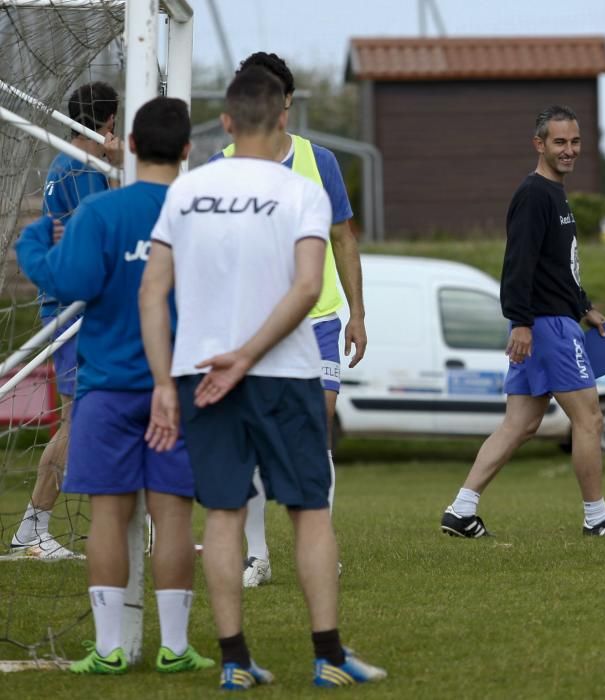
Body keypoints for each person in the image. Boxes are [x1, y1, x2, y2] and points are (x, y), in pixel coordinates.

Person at [139, 67, 385, 690]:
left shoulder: (185, 191)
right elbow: (308, 287)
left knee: (222, 515)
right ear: (283, 119)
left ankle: (233, 662)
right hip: (283, 370)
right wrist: (248, 355)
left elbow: (152, 291)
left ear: (223, 123)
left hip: (201, 374)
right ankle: (328, 655)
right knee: (309, 511)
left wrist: (166, 384)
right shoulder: (300, 188)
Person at [16, 96, 213, 675]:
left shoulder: (101, 213)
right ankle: (175, 646)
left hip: (105, 386)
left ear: (127, 145)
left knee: (108, 515)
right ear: (185, 150)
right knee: (174, 515)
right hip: (176, 389)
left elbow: (65, 280)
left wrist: (33, 241)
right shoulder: (198, 213)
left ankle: (109, 649)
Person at [440, 105, 605, 538]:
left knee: (520, 423)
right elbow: (518, 263)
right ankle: (597, 519)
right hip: (546, 327)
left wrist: (583, 305)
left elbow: (555, 266)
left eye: (574, 142)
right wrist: (520, 321)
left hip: (554, 319)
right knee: (589, 420)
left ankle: (461, 511)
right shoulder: (534, 194)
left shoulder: (555, 193)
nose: (569, 150)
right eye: (560, 142)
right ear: (539, 144)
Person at [211, 52, 366, 588]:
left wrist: (357, 314)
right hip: (248, 328)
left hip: (317, 320)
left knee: (315, 425)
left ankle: (318, 541)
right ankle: (258, 555)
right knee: (250, 436)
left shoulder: (318, 161)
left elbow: (344, 237)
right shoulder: (219, 166)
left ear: (288, 102)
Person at [10, 81, 124, 559]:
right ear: (109, 123)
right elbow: (91, 244)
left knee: (95, 416)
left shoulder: (77, 165)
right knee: (81, 419)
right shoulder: (81, 169)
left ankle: (37, 528)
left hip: (78, 308)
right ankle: (32, 529)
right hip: (72, 311)